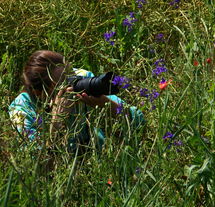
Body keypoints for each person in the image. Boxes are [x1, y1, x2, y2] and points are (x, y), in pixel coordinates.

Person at [8, 50, 144, 155]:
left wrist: (105, 104)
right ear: (40, 93)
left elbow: (138, 121)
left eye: (71, 76)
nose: (72, 85)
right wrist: (56, 124)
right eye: (64, 83)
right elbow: (38, 168)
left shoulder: (82, 78)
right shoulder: (22, 109)